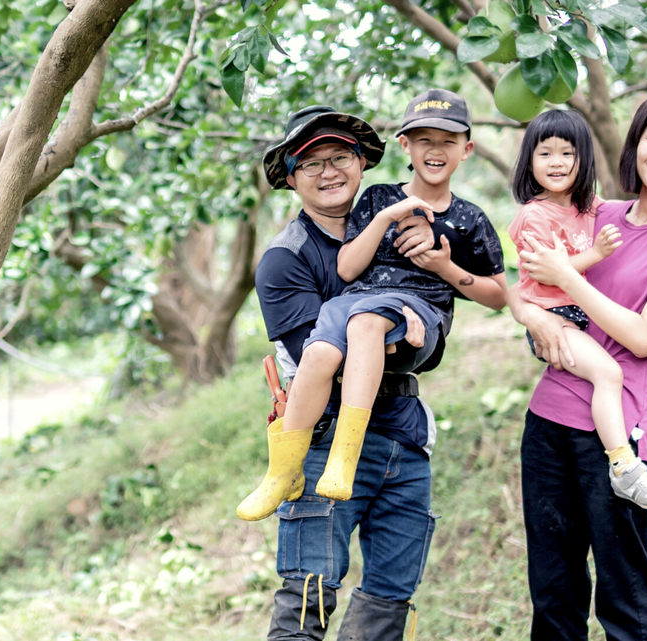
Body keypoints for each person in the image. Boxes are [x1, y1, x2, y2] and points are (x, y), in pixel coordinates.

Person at [245, 93, 503, 640]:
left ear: (363, 162)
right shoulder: (286, 258)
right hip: (325, 440)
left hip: (402, 437)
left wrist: (432, 296)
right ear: (291, 179)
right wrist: (397, 332)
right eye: (310, 162)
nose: (328, 171)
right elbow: (324, 355)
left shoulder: (404, 223)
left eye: (339, 157)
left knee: (388, 602)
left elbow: (453, 304)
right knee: (307, 598)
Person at [509, 91, 647, 640]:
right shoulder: (594, 215)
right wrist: (533, 319)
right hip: (549, 424)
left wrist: (569, 277)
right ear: (634, 144)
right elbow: (526, 286)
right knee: (553, 596)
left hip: (619, 440)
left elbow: (646, 337)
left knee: (626, 601)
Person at [506, 110, 647, 508]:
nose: (557, 163)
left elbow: (624, 216)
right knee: (608, 373)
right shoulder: (534, 215)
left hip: (577, 318)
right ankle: (624, 467)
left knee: (605, 375)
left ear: (584, 158)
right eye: (545, 154)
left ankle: (623, 464)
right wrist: (595, 254)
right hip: (556, 319)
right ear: (529, 161)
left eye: (567, 153)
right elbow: (548, 274)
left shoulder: (589, 207)